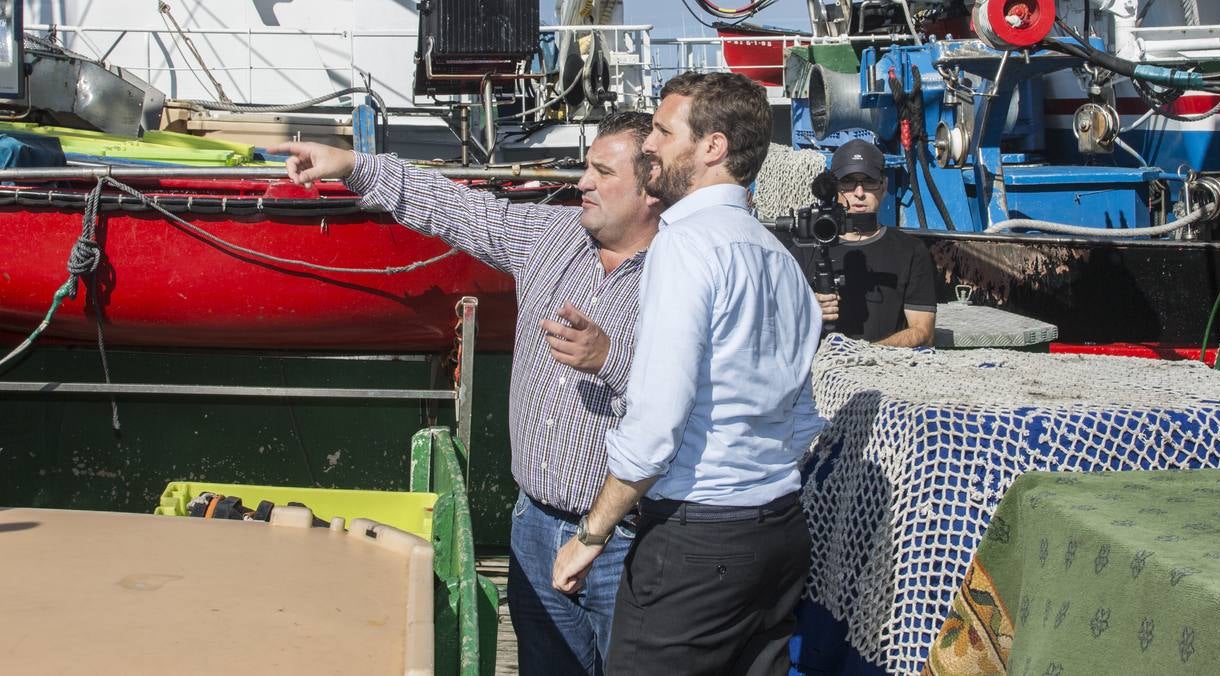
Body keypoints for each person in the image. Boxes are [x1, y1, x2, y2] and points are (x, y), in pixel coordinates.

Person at [270, 110, 660, 676]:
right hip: (534, 524)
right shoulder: (553, 238)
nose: (583, 182)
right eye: (585, 168)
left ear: (651, 190)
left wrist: (611, 360)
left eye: (602, 171)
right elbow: (458, 209)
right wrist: (353, 165)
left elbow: (695, 401)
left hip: (627, 539)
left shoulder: (681, 272)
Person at [552, 72, 825, 676]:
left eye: (661, 130)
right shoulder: (779, 259)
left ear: (712, 148)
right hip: (778, 531)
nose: (649, 144)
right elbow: (802, 416)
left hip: (699, 543)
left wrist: (590, 536)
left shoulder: (685, 247)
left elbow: (654, 425)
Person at [797, 138, 937, 347]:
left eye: (869, 181)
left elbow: (923, 332)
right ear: (833, 187)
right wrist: (807, 311)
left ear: (884, 185)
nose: (859, 193)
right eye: (848, 182)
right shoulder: (804, 249)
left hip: (884, 373)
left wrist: (865, 355)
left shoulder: (911, 251)